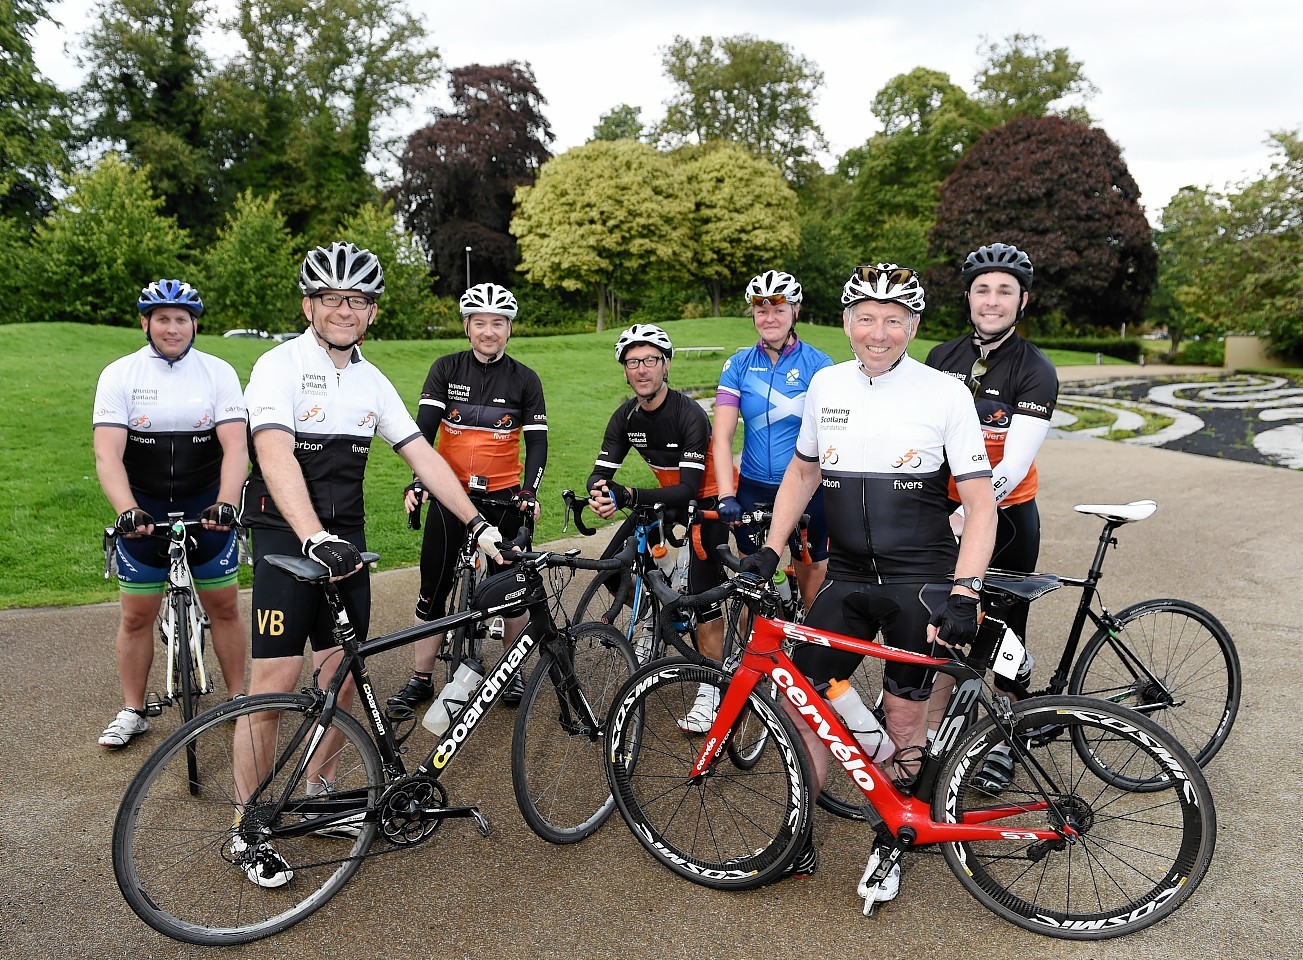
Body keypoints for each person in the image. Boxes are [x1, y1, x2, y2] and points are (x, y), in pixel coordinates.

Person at [232, 242, 503, 888]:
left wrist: (478, 523)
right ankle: (248, 826)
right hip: (281, 535)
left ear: (371, 312)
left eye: (355, 300)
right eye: (330, 298)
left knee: (340, 677)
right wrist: (308, 535)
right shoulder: (278, 366)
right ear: (309, 305)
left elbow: (424, 458)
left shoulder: (370, 379)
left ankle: (321, 788)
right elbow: (273, 454)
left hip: (344, 540)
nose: (343, 310)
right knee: (270, 684)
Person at [742, 264, 996, 886]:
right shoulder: (826, 384)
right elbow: (803, 473)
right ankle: (795, 837)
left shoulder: (944, 392)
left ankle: (900, 825)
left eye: (893, 320)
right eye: (864, 318)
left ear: (913, 325)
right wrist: (772, 549)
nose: (877, 332)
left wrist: (966, 590)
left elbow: (981, 502)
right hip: (848, 576)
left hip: (922, 580)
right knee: (801, 700)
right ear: (846, 322)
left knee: (906, 716)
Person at [924, 242, 1058, 792]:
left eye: (1005, 290)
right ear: (969, 297)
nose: (992, 300)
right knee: (936, 620)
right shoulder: (939, 357)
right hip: (942, 512)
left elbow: (1014, 463)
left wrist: (967, 515)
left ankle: (1007, 735)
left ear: (1022, 301)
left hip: (1006, 518)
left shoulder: (1035, 370)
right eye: (983, 289)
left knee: (1003, 629)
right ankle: (932, 724)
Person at [92, 279, 249, 749]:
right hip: (144, 506)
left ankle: (240, 699)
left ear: (195, 324)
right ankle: (133, 709)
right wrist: (127, 511)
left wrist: (227, 501)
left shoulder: (218, 372)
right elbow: (108, 455)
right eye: (162, 318)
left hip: (207, 504)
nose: (173, 327)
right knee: (137, 615)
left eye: (182, 319)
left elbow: (236, 446)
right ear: (146, 323)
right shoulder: (119, 375)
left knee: (224, 606)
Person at [388, 283, 547, 710]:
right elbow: (420, 435)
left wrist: (529, 491)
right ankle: (421, 678)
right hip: (449, 494)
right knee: (432, 589)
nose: (488, 331)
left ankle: (510, 674)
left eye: (498, 323)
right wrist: (419, 481)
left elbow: (537, 445)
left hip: (504, 496)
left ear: (509, 329)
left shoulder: (525, 380)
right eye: (480, 322)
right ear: (467, 326)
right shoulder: (446, 369)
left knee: (512, 588)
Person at [587, 323, 734, 732]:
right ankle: (652, 620)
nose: (642, 369)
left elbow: (688, 489)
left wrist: (628, 495)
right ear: (624, 371)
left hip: (707, 502)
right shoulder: (626, 415)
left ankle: (711, 691)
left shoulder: (689, 415)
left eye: (650, 360)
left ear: (665, 366)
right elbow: (600, 473)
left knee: (704, 597)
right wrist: (601, 493)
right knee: (612, 567)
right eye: (633, 362)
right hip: (664, 501)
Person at [712, 270, 833, 607]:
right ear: (752, 313)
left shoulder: (819, 365)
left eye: (779, 309)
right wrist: (725, 495)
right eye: (761, 310)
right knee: (751, 589)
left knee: (813, 597)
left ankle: (811, 655)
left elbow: (829, 438)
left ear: (795, 312)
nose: (769, 318)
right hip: (752, 487)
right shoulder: (737, 365)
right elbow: (721, 438)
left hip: (807, 489)